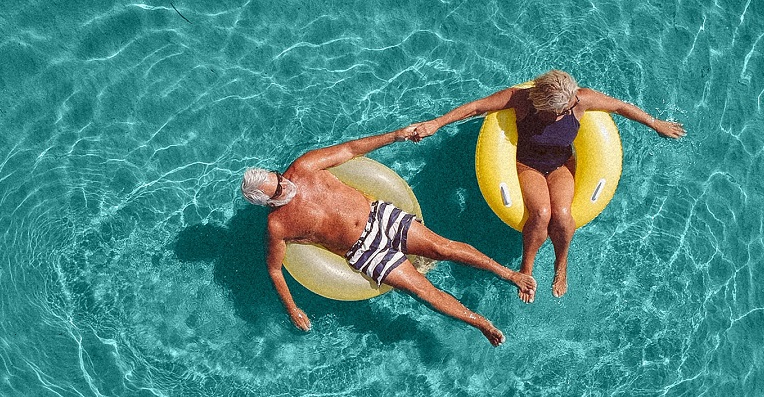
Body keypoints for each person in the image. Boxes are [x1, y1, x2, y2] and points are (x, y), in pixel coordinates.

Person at [241, 127, 536, 346]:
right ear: (266, 202)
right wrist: (293, 309)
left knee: (441, 247)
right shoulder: (278, 226)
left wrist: (396, 135)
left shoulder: (303, 167)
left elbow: (351, 149)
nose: (285, 185)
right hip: (364, 252)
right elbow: (274, 269)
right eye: (278, 190)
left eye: (278, 177)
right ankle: (480, 323)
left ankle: (509, 274)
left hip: (379, 215)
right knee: (422, 291)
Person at [404, 70, 685, 298]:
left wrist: (655, 123)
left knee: (562, 215)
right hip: (528, 166)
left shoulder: (579, 100)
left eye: (569, 105)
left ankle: (560, 264)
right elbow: (476, 107)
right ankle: (527, 266)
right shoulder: (521, 100)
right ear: (541, 105)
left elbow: (621, 106)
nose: (569, 109)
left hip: (561, 165)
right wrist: (436, 123)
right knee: (541, 214)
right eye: (560, 110)